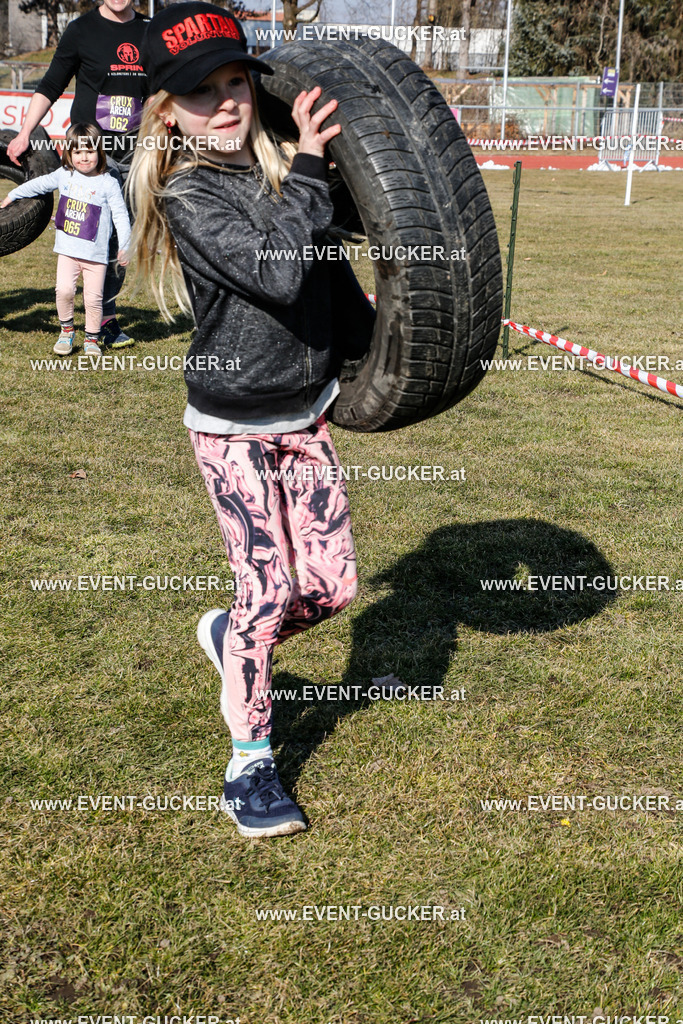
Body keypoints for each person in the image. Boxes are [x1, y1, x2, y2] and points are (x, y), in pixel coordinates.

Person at [129, 1, 366, 838]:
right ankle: (250, 767)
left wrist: (383, 350)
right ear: (168, 111)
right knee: (268, 590)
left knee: (332, 590)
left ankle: (233, 637)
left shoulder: (282, 175)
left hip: (306, 417)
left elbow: (324, 269)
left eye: (237, 82)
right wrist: (307, 166)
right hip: (231, 425)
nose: (227, 102)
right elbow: (274, 270)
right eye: (202, 92)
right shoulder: (187, 193)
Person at [7, 0, 148, 349]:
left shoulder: (150, 31)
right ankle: (73, 320)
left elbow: (166, 88)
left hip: (136, 151)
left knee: (119, 238)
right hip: (90, 155)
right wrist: (25, 133)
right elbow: (52, 84)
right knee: (88, 238)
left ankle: (105, 319)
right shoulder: (81, 30)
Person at [2, 122, 130, 356]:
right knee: (64, 291)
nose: (84, 157)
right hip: (68, 252)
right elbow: (38, 184)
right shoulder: (64, 175)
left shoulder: (108, 183)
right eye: (78, 152)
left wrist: (124, 246)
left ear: (99, 152)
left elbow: (121, 215)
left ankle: (91, 339)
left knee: (93, 299)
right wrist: (12, 195)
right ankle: (67, 331)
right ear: (69, 154)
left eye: (89, 151)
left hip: (96, 257)